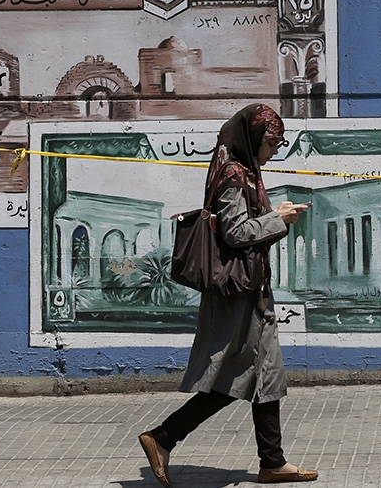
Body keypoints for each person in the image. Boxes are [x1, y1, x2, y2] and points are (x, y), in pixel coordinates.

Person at [138, 104, 316, 486]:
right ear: (252, 139)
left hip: (252, 288)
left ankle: (272, 462)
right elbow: (235, 232)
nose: (274, 150)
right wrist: (277, 219)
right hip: (237, 293)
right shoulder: (235, 176)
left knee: (266, 374)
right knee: (235, 376)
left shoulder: (246, 172)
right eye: (271, 142)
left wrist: (276, 216)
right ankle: (163, 437)